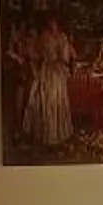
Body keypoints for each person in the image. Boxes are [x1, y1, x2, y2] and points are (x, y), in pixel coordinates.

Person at [24, 15, 75, 149]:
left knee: (56, 100)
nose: (52, 25)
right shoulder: (44, 37)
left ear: (58, 24)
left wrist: (62, 55)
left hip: (57, 71)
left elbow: (65, 58)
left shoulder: (62, 37)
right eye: (50, 23)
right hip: (47, 70)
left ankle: (57, 135)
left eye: (55, 23)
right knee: (45, 100)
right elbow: (37, 53)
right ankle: (45, 135)